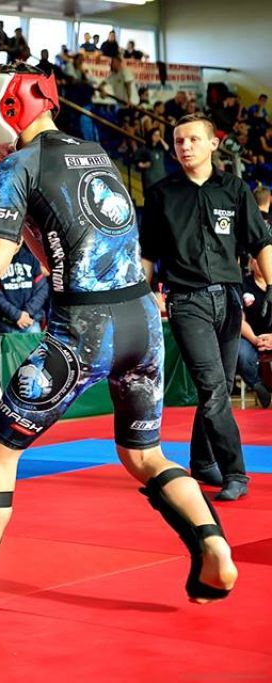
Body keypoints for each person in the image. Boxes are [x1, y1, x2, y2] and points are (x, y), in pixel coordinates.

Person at [0, 63, 238, 612]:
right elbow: (60, 249)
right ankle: (213, 544)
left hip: (86, 330)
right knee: (143, 454)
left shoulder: (20, 164)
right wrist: (22, 213)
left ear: (8, 108)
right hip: (143, 322)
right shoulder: (94, 152)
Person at [141, 114, 272, 501]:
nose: (185, 147)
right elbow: (146, 253)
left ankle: (201, 461)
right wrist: (145, 295)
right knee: (214, 388)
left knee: (217, 388)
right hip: (186, 301)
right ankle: (236, 472)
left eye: (193, 139)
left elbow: (261, 241)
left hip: (230, 299)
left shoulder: (234, 189)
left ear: (214, 144)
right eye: (179, 141)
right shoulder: (162, 193)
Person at [239, 256, 272, 407]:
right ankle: (258, 385)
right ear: (251, 263)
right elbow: (239, 320)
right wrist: (255, 339)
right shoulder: (243, 285)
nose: (260, 263)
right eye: (256, 259)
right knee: (241, 353)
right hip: (250, 337)